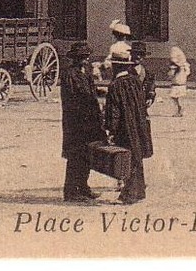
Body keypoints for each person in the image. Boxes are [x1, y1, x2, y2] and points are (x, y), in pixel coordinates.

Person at [102, 43, 153, 204]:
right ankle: (139, 191)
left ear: (116, 66)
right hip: (138, 124)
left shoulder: (116, 85)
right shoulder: (134, 81)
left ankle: (129, 194)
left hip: (125, 127)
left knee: (127, 159)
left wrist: (110, 129)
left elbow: (114, 112)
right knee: (136, 156)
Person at [60, 42, 107, 203]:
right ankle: (71, 191)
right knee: (75, 156)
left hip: (88, 121)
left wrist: (102, 92)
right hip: (76, 122)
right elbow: (77, 97)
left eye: (87, 57)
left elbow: (90, 91)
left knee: (86, 155)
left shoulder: (85, 73)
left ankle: (83, 187)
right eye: (83, 57)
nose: (86, 60)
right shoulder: (70, 74)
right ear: (76, 58)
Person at [167, 44, 190, 117]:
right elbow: (187, 73)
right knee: (177, 98)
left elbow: (171, 74)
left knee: (176, 98)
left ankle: (179, 110)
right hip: (181, 84)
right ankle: (179, 110)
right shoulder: (184, 66)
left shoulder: (175, 67)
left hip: (177, 84)